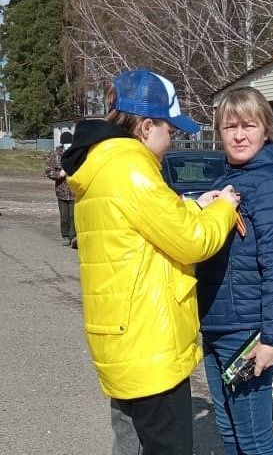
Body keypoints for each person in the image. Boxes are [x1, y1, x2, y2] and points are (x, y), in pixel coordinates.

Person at [61, 69, 240, 455]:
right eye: (170, 129)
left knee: (129, 442)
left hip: (121, 337)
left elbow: (144, 229)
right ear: (145, 127)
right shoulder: (132, 169)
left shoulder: (102, 168)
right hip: (150, 344)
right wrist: (223, 209)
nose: (172, 138)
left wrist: (193, 205)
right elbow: (192, 241)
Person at [195, 87, 273, 455]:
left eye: (249, 125)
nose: (239, 135)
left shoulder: (271, 184)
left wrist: (272, 339)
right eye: (230, 126)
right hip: (215, 325)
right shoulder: (228, 179)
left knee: (255, 439)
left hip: (247, 331)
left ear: (266, 129)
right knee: (228, 430)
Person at [45, 131, 76, 247]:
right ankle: (66, 235)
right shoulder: (55, 155)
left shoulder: (76, 153)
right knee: (64, 216)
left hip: (75, 190)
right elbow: (48, 171)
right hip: (61, 191)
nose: (68, 146)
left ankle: (74, 236)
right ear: (62, 144)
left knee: (74, 215)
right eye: (66, 144)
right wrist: (59, 174)